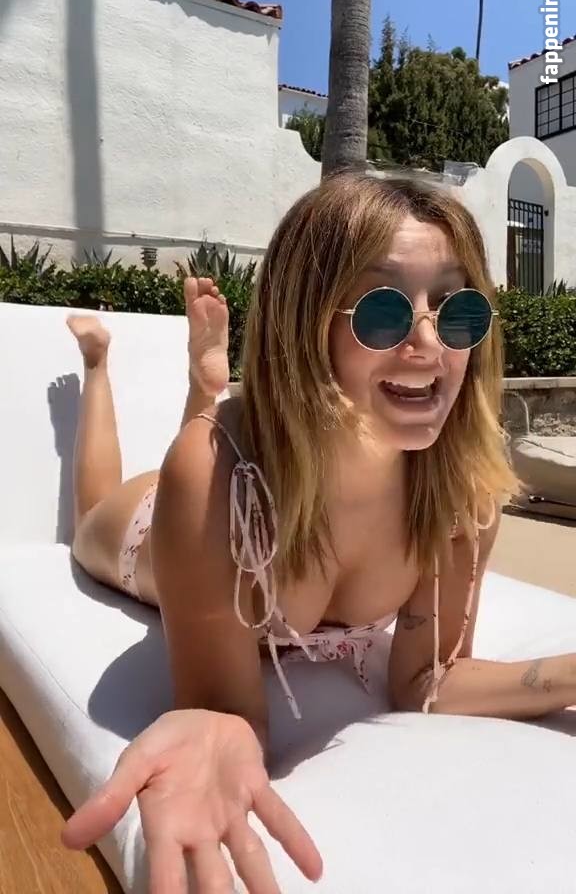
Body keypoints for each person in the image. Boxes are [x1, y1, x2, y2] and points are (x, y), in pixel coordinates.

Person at [60, 173, 575, 893]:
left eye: (458, 310)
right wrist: (218, 729)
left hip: (232, 484)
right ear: (306, 323)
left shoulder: (461, 492)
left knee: (199, 457)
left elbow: (426, 679)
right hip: (164, 526)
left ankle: (207, 390)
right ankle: (103, 368)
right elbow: (223, 708)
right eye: (384, 311)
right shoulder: (214, 478)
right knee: (90, 516)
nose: (430, 343)